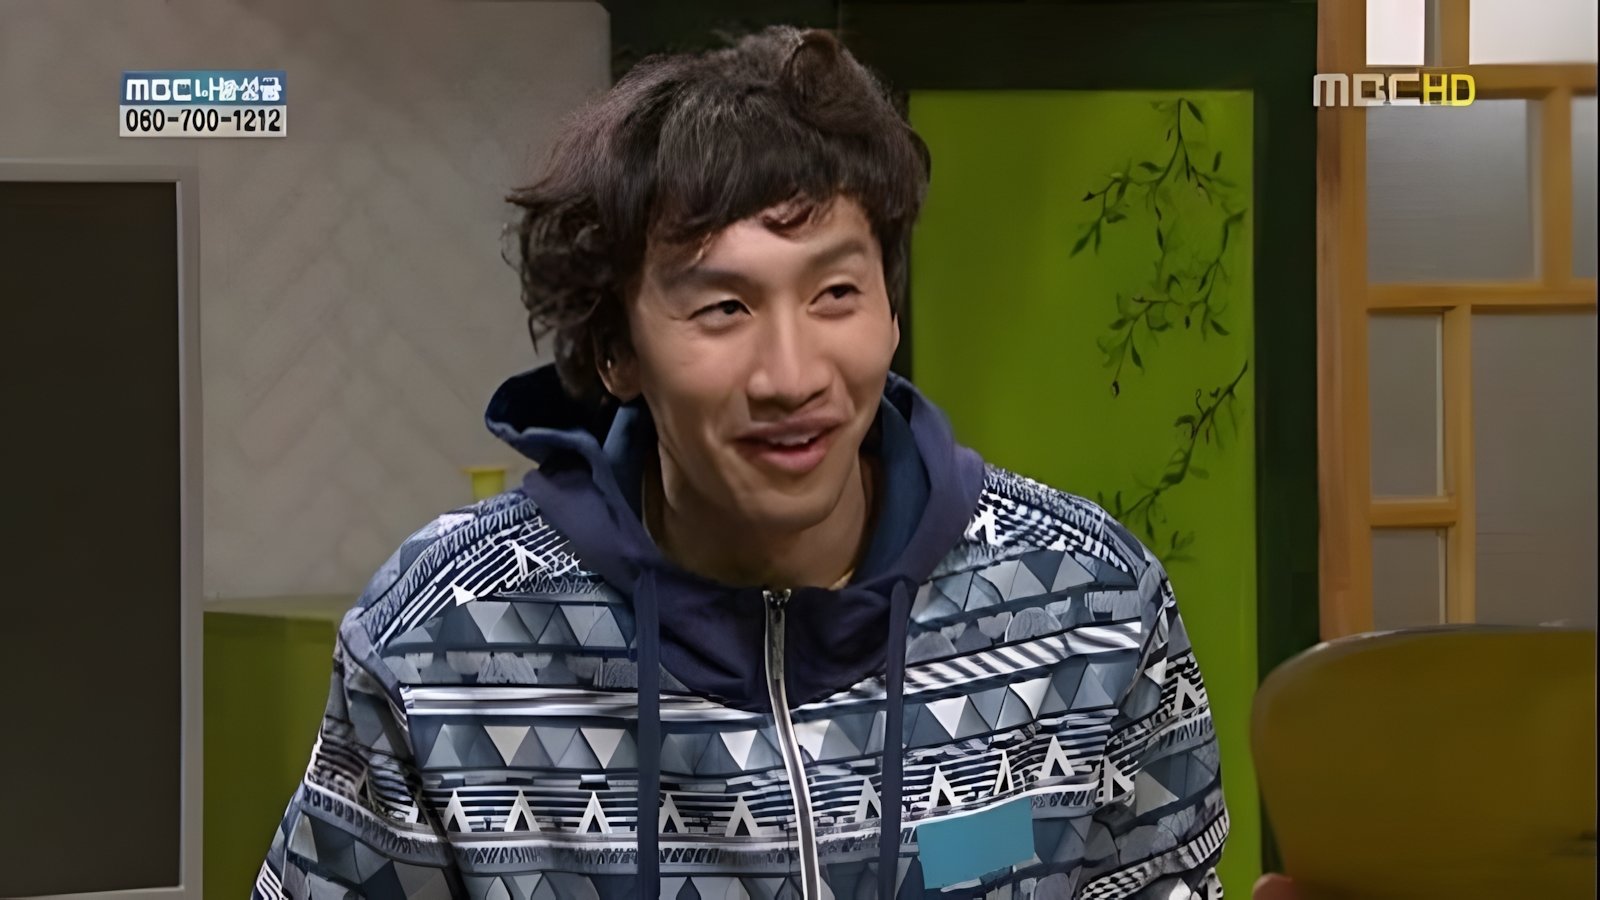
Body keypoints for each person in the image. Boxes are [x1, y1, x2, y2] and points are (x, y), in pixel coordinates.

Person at [254, 25, 1228, 900]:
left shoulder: (1090, 606)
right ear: (616, 352)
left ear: (891, 311)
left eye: (836, 294)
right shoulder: (444, 644)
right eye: (723, 308)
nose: (791, 376)